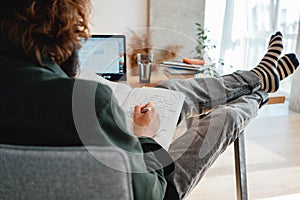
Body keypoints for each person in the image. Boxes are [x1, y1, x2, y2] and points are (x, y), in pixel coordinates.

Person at [0, 0, 298, 200]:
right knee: (227, 118)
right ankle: (260, 92)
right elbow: (151, 191)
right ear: (59, 33)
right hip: (154, 188)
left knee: (167, 91)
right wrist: (145, 135)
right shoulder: (87, 102)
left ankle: (256, 77)